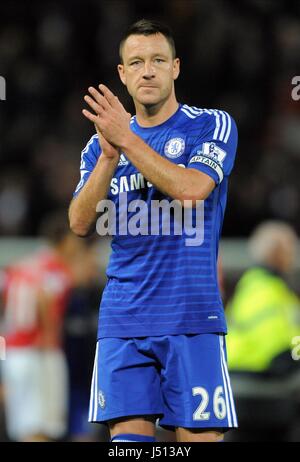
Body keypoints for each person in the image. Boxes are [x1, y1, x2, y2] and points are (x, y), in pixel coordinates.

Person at [69, 19, 238, 443]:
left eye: (158, 60)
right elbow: (78, 223)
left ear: (176, 68)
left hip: (191, 318)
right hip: (122, 321)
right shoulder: (100, 146)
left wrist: (127, 141)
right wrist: (109, 158)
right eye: (137, 62)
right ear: (123, 74)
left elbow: (192, 189)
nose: (148, 71)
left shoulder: (211, 125)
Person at [0, 212, 83, 441]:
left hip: (14, 354)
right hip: (39, 353)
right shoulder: (57, 270)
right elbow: (43, 298)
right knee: (41, 429)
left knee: (25, 428)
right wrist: (49, 339)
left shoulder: (20, 266)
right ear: (66, 240)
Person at [225, 221, 300, 441]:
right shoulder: (263, 290)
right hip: (255, 394)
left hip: (257, 392)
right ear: (279, 253)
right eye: (290, 248)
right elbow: (278, 353)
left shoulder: (267, 287)